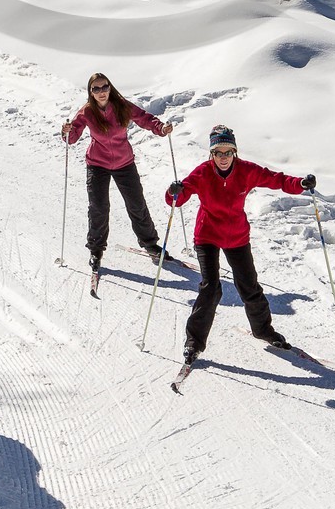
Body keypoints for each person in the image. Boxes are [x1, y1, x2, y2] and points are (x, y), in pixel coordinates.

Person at [167, 123, 315, 365]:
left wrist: (300, 184)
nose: (223, 158)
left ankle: (263, 330)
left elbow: (275, 179)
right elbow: (179, 197)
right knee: (210, 287)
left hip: (236, 236)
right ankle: (194, 341)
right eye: (218, 153)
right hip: (207, 236)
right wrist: (174, 191)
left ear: (235, 152)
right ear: (211, 154)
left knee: (249, 286)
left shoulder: (246, 171)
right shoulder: (203, 172)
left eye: (228, 152)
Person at [62, 72, 174, 275]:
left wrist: (160, 128)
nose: (101, 92)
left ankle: (150, 245)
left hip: (124, 163)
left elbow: (144, 119)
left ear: (110, 87)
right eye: (96, 89)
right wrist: (67, 131)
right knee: (99, 207)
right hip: (97, 164)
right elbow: (72, 138)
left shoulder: (122, 105)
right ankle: (96, 250)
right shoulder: (86, 112)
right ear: (91, 92)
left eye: (104, 87)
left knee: (136, 204)